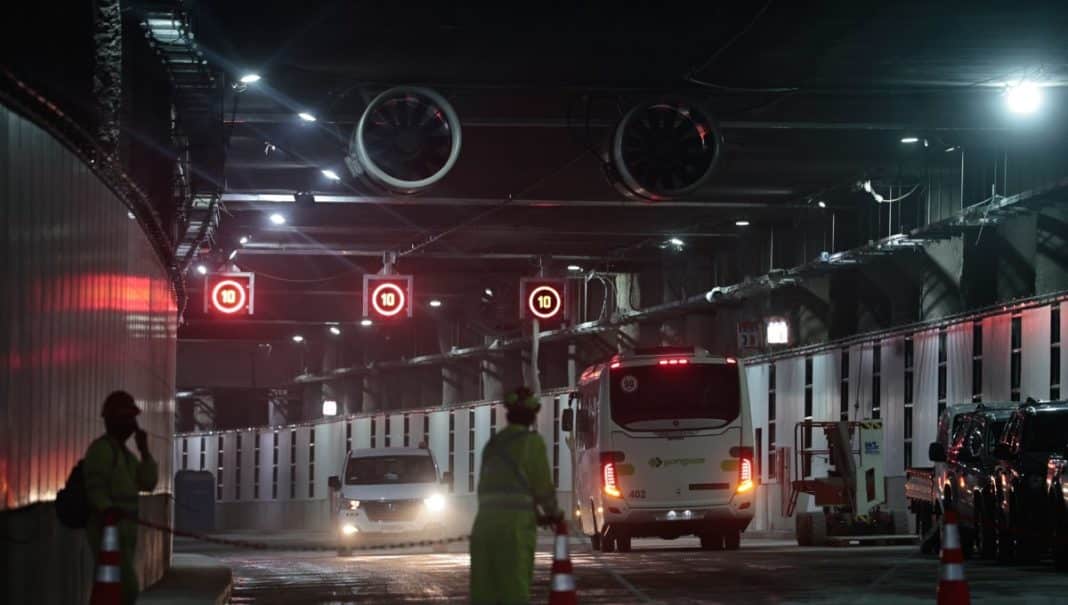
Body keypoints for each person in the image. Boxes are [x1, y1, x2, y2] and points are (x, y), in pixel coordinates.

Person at [470, 386, 562, 605]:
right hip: (515, 531)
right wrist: (553, 514)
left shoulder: (493, 444)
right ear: (532, 415)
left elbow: (486, 487)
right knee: (514, 589)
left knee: (484, 591)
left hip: (483, 528)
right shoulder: (532, 442)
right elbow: (542, 487)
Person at [84, 391, 159, 605]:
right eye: (128, 418)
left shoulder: (126, 457)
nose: (132, 423)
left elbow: (148, 483)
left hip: (124, 535)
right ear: (114, 420)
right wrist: (108, 510)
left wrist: (144, 451)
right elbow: (95, 488)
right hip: (107, 534)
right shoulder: (101, 451)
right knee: (125, 588)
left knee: (110, 591)